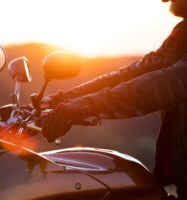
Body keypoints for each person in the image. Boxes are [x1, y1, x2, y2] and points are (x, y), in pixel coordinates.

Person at [41, 0, 187, 198]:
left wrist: (86, 105)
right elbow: (132, 73)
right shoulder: (181, 34)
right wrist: (60, 100)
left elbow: (166, 82)